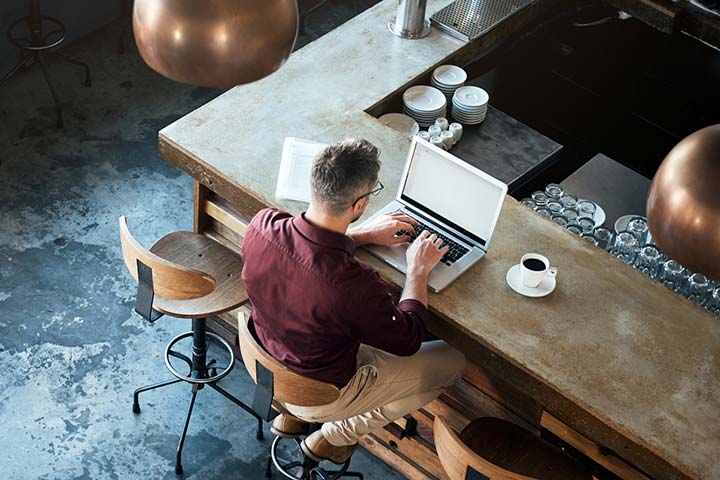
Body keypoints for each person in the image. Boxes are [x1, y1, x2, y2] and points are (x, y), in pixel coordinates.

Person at [241, 138, 466, 464]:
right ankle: (334, 435)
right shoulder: (353, 285)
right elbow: (408, 338)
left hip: (268, 359)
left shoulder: (263, 225)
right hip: (323, 390)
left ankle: (294, 411)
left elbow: (307, 257)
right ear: (360, 205)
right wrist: (417, 270)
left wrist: (361, 236)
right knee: (452, 362)